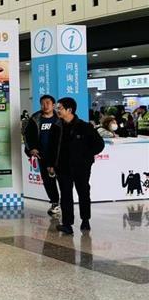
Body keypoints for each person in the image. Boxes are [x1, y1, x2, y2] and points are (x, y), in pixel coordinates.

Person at [46, 97, 105, 234]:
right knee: (66, 195)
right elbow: (51, 147)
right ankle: (67, 224)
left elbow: (99, 145)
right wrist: (50, 164)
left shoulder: (85, 127)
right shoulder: (56, 127)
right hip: (63, 167)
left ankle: (85, 220)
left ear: (69, 110)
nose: (57, 110)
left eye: (60, 108)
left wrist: (85, 156)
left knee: (83, 193)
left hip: (81, 167)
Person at [22, 95, 62, 217]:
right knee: (48, 181)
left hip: (59, 155)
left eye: (48, 103)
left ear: (53, 105)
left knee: (63, 180)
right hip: (43, 155)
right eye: (42, 103)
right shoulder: (35, 118)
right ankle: (55, 203)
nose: (45, 106)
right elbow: (27, 135)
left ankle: (66, 203)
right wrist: (32, 148)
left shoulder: (60, 118)